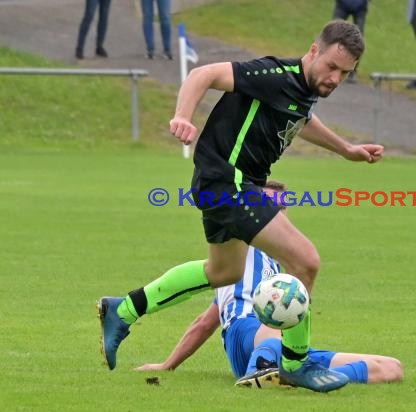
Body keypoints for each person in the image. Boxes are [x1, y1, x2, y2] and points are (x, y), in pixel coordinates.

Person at [98, 20, 384, 393]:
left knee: (224, 272)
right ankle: (294, 364)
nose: (335, 78)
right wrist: (183, 116)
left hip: (226, 185)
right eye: (331, 66)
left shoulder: (302, 90)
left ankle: (124, 309)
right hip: (228, 182)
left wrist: (346, 150)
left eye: (345, 73)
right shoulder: (274, 73)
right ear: (313, 50)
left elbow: (302, 118)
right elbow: (204, 73)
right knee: (305, 261)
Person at [135, 182, 403, 387]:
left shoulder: (275, 269)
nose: (272, 215)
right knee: (275, 331)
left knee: (390, 368)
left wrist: (168, 365)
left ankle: (288, 375)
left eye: (278, 209)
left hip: (281, 349)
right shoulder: (238, 250)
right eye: (266, 206)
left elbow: (205, 323)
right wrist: (166, 365)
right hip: (245, 333)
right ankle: (258, 374)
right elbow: (205, 324)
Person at [332, 0, 370, 83]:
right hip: (342, 4)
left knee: (358, 39)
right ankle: (331, 64)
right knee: (333, 32)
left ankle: (352, 70)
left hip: (360, 6)